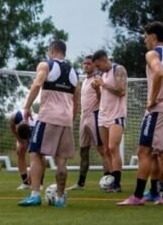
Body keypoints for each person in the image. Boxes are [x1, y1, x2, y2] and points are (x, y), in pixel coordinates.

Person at [18, 40, 78, 207]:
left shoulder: (46, 65)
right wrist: (70, 120)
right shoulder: (74, 72)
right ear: (64, 52)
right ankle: (60, 199)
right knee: (61, 160)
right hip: (66, 120)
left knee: (35, 153)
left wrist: (27, 106)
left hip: (48, 117)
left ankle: (35, 195)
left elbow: (37, 84)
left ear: (51, 51)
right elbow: (76, 102)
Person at [118, 21, 163, 205]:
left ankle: (137, 196)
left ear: (153, 37)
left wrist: (152, 98)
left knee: (144, 151)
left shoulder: (153, 54)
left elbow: (159, 72)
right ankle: (154, 192)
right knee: (156, 152)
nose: (145, 40)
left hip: (157, 109)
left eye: (146, 36)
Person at [68, 54, 109, 191]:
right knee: (83, 151)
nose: (86, 65)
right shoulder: (85, 80)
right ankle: (80, 183)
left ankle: (108, 180)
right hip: (83, 117)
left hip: (94, 116)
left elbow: (102, 98)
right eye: (84, 63)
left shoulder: (98, 79)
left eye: (89, 63)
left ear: (94, 65)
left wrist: (97, 89)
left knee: (102, 150)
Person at [93, 49, 127, 193]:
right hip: (103, 115)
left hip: (116, 114)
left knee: (113, 147)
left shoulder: (118, 69)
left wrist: (103, 84)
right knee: (106, 149)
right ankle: (112, 180)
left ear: (104, 60)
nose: (97, 69)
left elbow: (121, 91)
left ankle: (117, 183)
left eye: (98, 65)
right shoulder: (102, 75)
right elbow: (101, 97)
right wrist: (96, 88)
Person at [9, 109, 35, 190]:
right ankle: (25, 183)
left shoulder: (34, 123)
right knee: (20, 151)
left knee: (36, 155)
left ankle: (39, 183)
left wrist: (31, 172)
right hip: (23, 131)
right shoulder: (14, 117)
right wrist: (19, 140)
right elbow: (12, 128)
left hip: (34, 131)